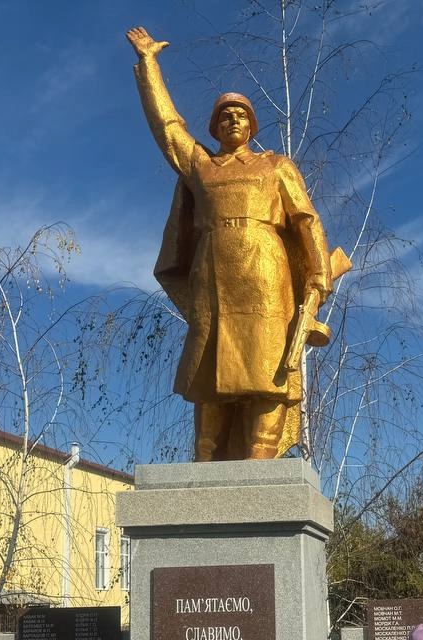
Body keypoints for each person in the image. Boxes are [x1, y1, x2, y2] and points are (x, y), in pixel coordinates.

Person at [126, 25, 345, 460]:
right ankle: (205, 460)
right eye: (224, 115)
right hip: (212, 276)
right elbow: (168, 129)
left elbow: (306, 221)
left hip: (266, 275)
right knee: (210, 371)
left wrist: (318, 279)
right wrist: (150, 64)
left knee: (269, 370)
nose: (232, 120)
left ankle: (260, 463)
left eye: (241, 114)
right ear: (214, 126)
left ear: (251, 125)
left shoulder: (275, 166)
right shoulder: (201, 166)